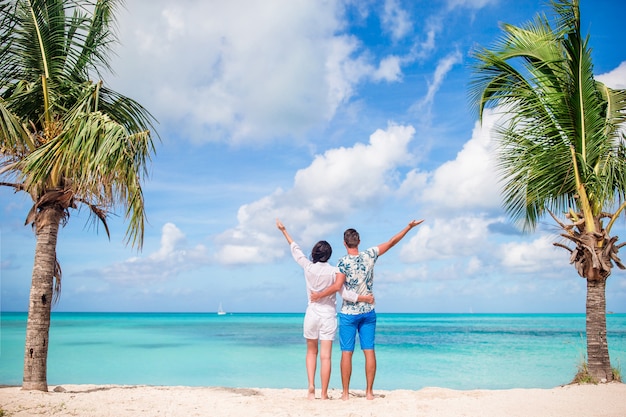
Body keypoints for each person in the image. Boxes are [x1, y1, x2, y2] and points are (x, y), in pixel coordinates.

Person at [311, 219, 424, 400]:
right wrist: (409, 228)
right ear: (359, 242)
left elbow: (341, 289)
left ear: (344, 243)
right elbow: (392, 242)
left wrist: (318, 295)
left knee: (347, 352)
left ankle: (346, 394)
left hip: (348, 313)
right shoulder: (370, 254)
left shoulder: (342, 263)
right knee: (369, 350)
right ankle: (369, 393)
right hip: (368, 312)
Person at [276, 219, 374, 400]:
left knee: (311, 352)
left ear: (314, 253)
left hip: (312, 314)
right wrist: (364, 298)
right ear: (329, 255)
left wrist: (284, 231)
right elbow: (344, 293)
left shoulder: (308, 267)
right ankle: (324, 393)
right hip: (328, 316)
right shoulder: (334, 271)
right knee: (326, 357)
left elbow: (296, 250)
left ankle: (311, 387)